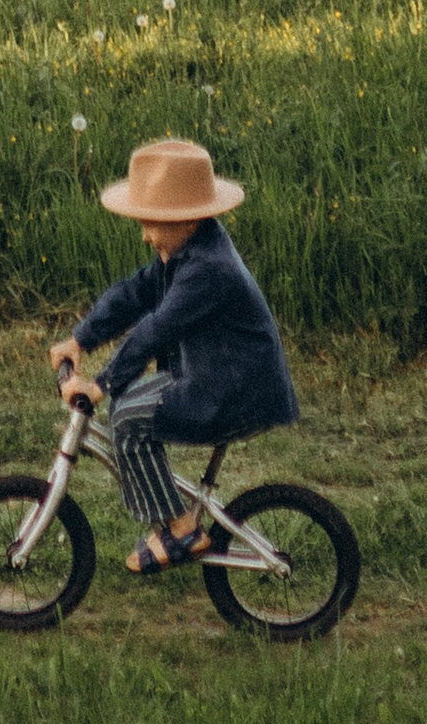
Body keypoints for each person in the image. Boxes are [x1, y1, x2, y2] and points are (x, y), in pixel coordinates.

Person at [51, 137, 298, 576]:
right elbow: (135, 294)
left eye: (152, 224)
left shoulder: (207, 270)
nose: (145, 235)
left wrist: (101, 384)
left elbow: (156, 329)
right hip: (212, 378)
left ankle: (181, 529)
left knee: (129, 418)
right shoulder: (188, 250)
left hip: (237, 394)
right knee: (127, 408)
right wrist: (80, 340)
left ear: (187, 219)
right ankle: (174, 522)